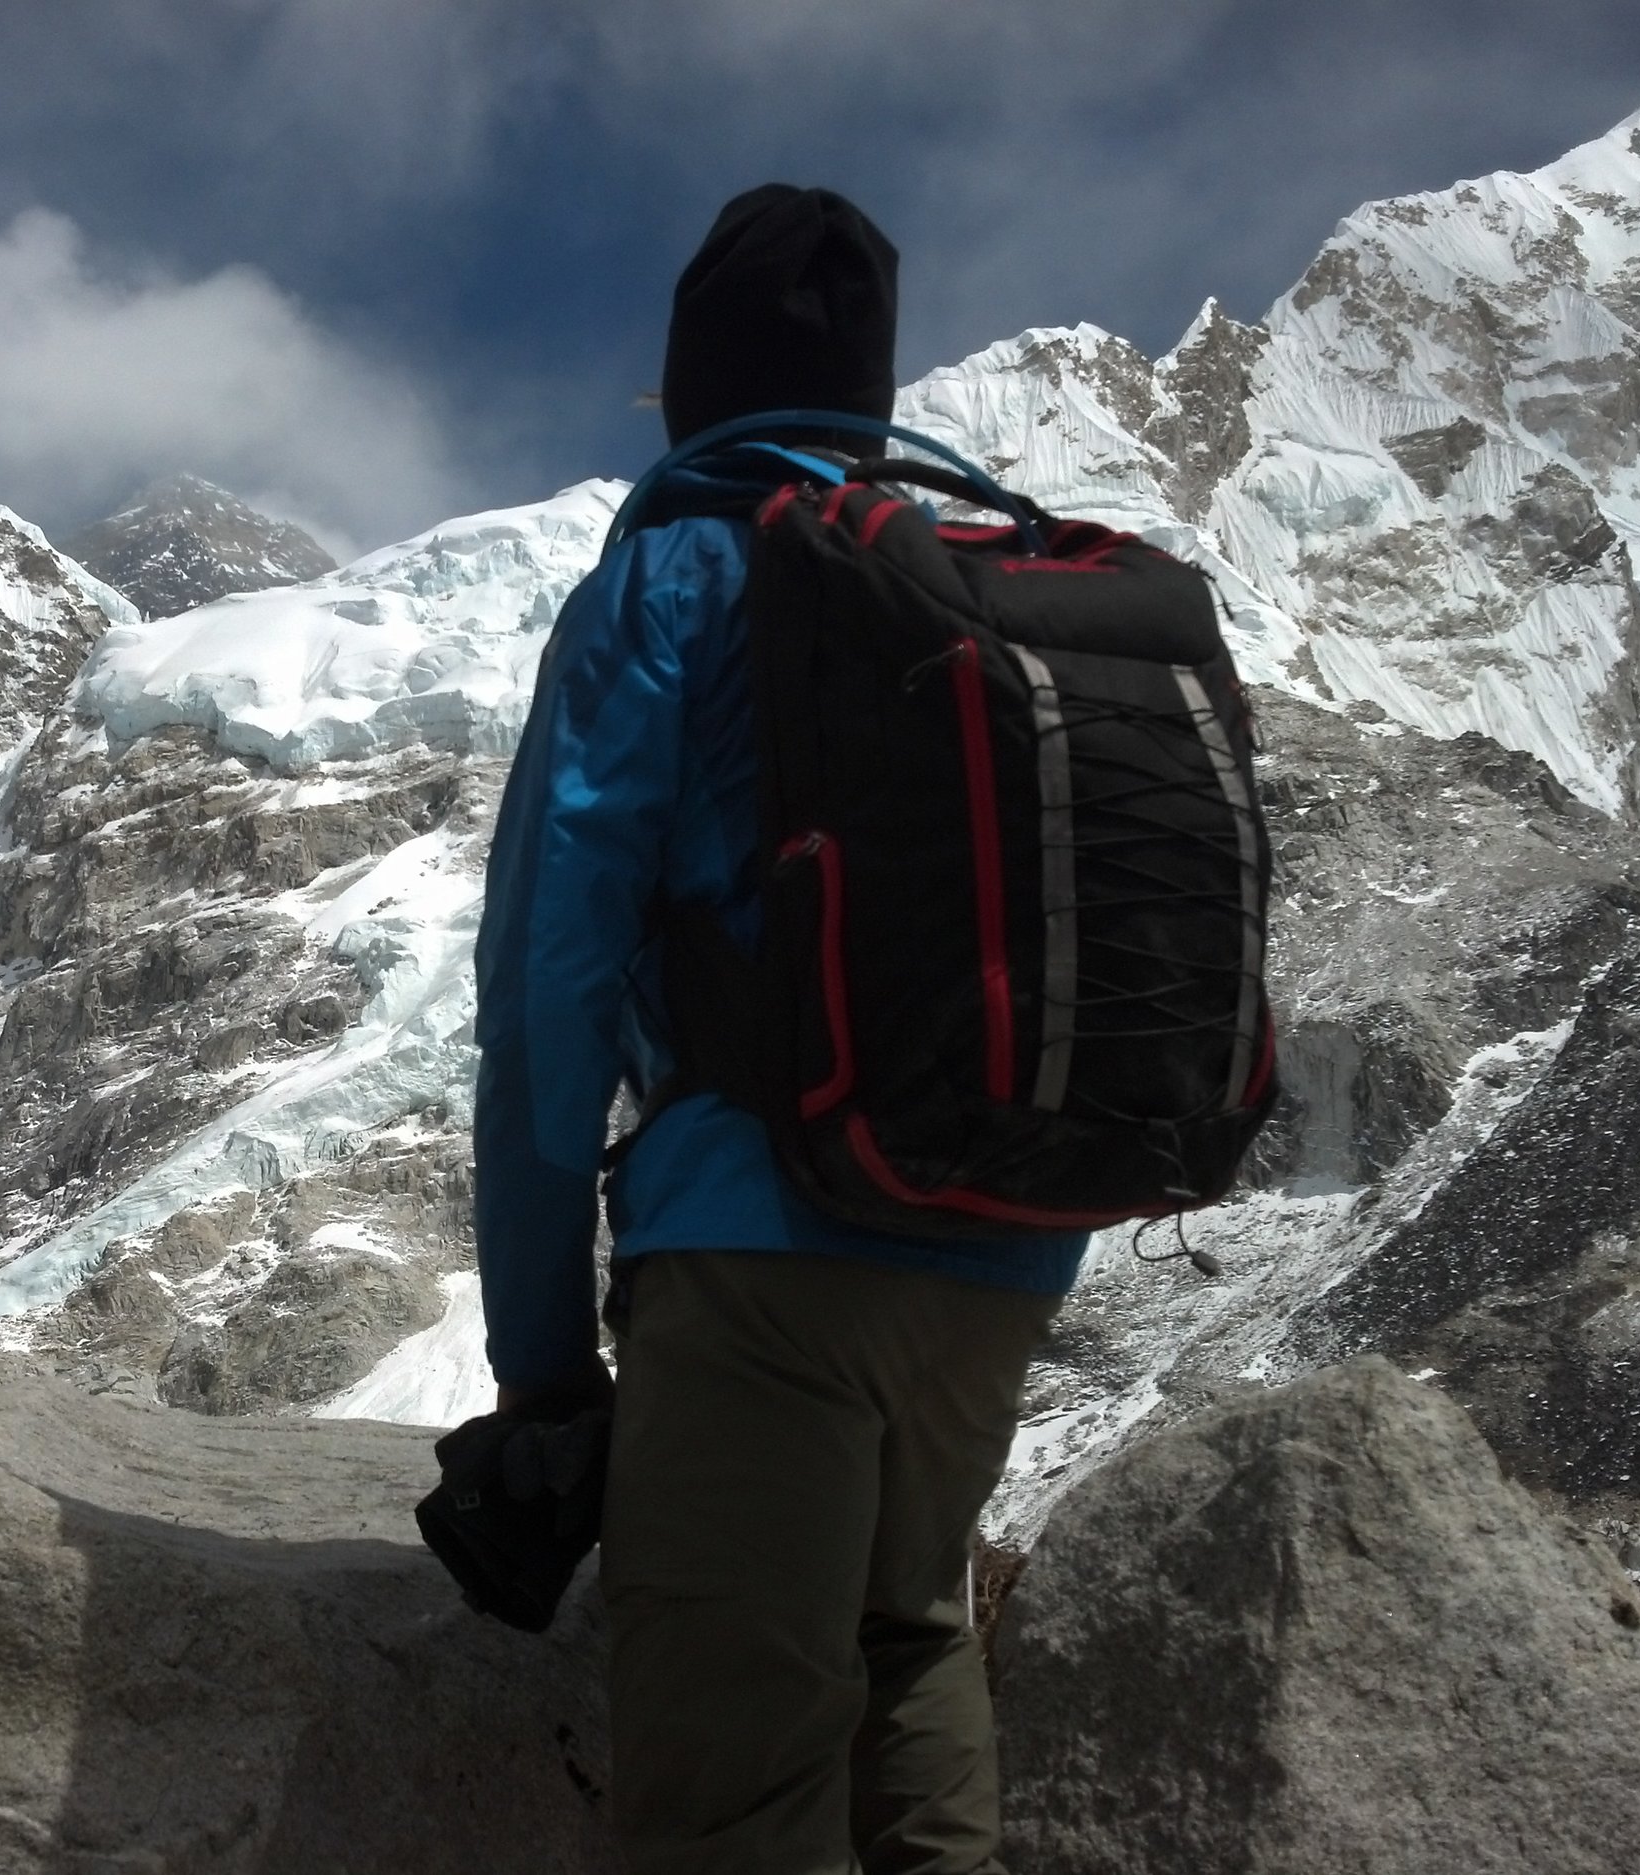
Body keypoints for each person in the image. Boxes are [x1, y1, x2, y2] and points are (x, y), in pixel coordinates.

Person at [471, 185, 1091, 1875]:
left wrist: (542, 1371)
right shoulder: (991, 585)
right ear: (870, 403)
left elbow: (549, 994)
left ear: (684, 397)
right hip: (1001, 1244)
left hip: (762, 1260)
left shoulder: (669, 580)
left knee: (735, 1784)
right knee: (909, 1641)